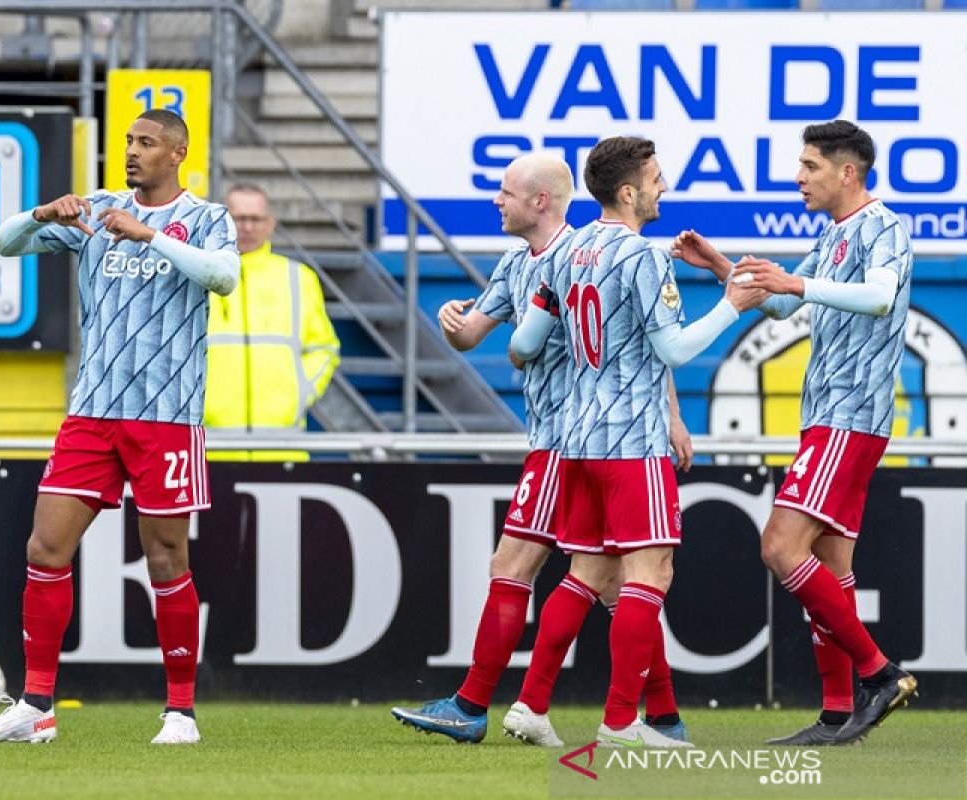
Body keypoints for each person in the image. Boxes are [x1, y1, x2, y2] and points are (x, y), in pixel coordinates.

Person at [390, 153, 692, 746]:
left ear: (541, 201)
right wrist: (457, 326)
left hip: (568, 439)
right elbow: (477, 335)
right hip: (575, 438)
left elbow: (635, 346)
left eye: (505, 192)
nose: (496, 201)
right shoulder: (516, 263)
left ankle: (475, 702)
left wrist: (672, 414)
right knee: (612, 580)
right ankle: (658, 716)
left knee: (529, 568)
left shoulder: (583, 254)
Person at [0, 109, 238, 746]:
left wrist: (149, 236)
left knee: (167, 558)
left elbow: (223, 277)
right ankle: (36, 707)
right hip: (92, 413)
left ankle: (180, 712)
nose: (132, 152)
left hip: (167, 416)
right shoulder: (96, 211)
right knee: (44, 549)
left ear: (177, 152)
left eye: (145, 143)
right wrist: (40, 215)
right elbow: (2, 245)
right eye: (129, 142)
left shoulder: (206, 218)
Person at [509, 136, 765, 749]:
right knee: (651, 573)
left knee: (585, 574)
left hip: (574, 440)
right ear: (628, 191)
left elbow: (524, 344)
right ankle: (622, 720)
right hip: (631, 440)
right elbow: (674, 349)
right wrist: (732, 305)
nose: (663, 186)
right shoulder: (644, 257)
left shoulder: (565, 252)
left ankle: (531, 705)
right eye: (655, 177)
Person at [671, 119, 917, 746]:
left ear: (847, 172)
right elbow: (781, 304)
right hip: (829, 415)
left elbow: (882, 298)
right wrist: (722, 266)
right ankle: (838, 716)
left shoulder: (883, 225)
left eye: (809, 165)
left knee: (780, 547)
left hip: (849, 413)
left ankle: (879, 673)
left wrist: (796, 282)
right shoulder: (834, 231)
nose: (798, 176)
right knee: (828, 564)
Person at [204, 183, 340, 461]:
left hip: (281, 447)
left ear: (270, 224)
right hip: (209, 448)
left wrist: (299, 392)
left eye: (255, 219)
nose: (248, 227)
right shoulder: (199, 275)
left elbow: (323, 347)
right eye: (239, 218)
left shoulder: (298, 277)